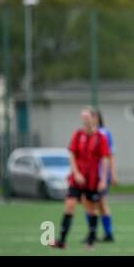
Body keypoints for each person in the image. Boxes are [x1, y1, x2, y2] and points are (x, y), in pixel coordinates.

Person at [52, 106, 111, 250]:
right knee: (70, 206)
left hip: (92, 181)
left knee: (91, 210)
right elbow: (72, 154)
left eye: (87, 117)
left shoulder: (101, 138)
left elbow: (105, 159)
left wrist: (103, 179)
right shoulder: (77, 135)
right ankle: (62, 241)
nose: (84, 121)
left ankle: (91, 241)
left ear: (94, 119)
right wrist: (76, 173)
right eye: (82, 118)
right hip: (76, 180)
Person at [83, 109, 118, 243]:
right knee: (88, 202)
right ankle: (96, 233)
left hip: (100, 176)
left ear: (97, 118)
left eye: (92, 116)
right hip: (88, 175)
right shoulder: (84, 134)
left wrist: (112, 174)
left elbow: (110, 155)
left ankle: (106, 233)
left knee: (100, 203)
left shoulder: (104, 133)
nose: (88, 119)